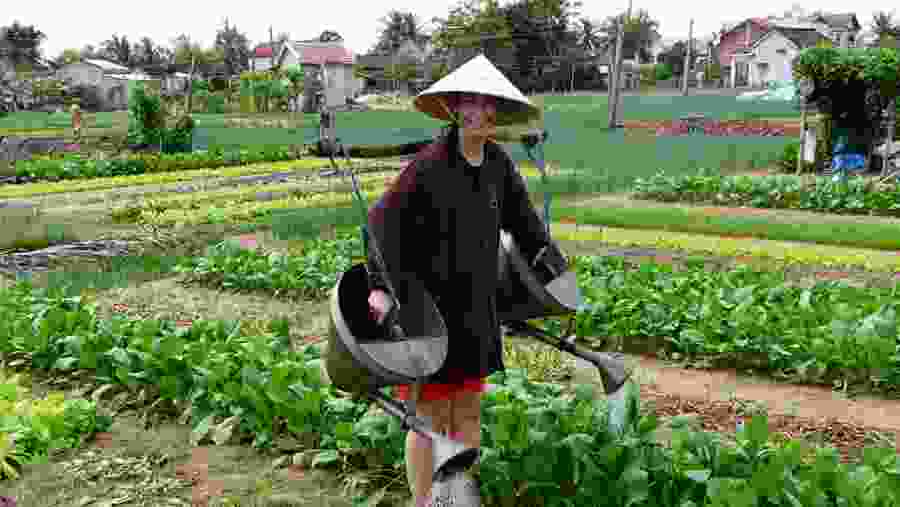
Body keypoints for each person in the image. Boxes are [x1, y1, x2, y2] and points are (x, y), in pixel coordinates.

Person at [365, 54, 553, 507]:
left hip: (476, 307)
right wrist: (380, 286)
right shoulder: (429, 166)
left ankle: (458, 496)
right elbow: (380, 222)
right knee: (429, 414)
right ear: (454, 108)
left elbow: (526, 226)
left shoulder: (497, 165)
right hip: (428, 307)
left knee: (468, 408)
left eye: (485, 103)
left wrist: (555, 271)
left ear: (496, 111)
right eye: (467, 101)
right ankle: (426, 501)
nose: (476, 111)